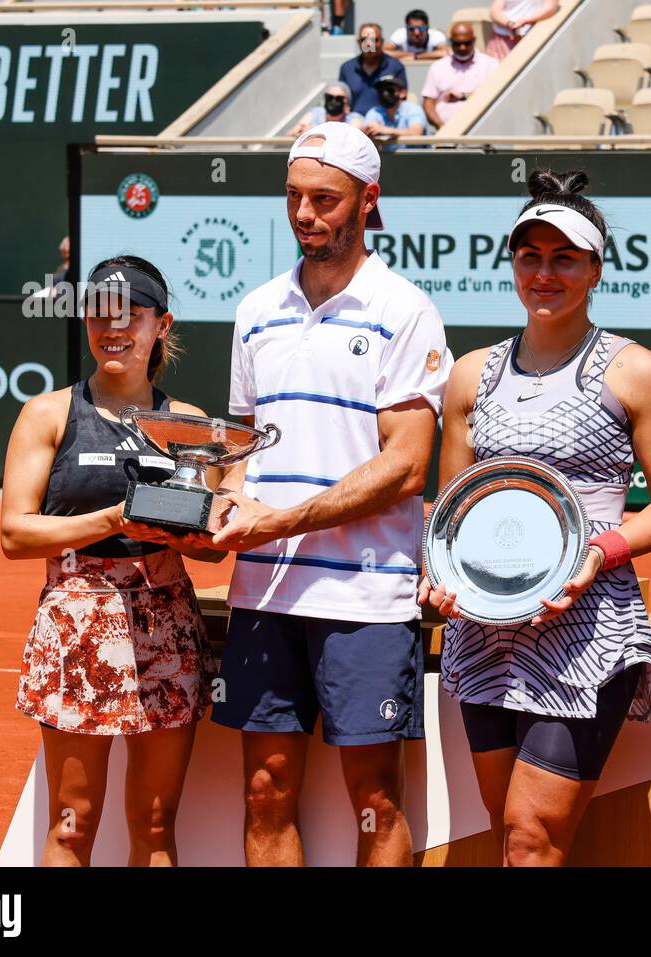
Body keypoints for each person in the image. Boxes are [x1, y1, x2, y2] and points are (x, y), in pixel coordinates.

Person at [421, 169, 651, 866]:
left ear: (596, 267)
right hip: (484, 632)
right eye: (530, 256)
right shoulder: (469, 374)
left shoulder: (636, 371)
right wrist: (438, 574)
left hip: (586, 632)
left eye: (564, 258)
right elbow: (450, 510)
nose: (544, 273)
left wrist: (598, 552)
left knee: (530, 836)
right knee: (508, 831)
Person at [207, 122, 451, 867]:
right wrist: (223, 498)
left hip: (366, 603)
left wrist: (284, 518)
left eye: (325, 198)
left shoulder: (405, 309)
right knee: (264, 789)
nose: (307, 214)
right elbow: (239, 448)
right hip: (265, 595)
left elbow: (407, 467)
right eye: (294, 198)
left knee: (375, 800)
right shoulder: (255, 310)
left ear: (367, 200)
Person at [1, 256, 225, 866]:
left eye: (131, 314)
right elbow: (15, 534)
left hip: (167, 624)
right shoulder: (48, 413)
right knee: (73, 824)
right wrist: (112, 521)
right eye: (99, 313)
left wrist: (202, 531)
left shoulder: (189, 424)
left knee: (155, 826)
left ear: (161, 325)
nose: (112, 328)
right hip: (76, 624)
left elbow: (211, 545)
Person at [422, 23, 499, 130]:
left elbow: (496, 96)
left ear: (474, 41)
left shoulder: (490, 65)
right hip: (445, 133)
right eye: (457, 44)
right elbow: (428, 103)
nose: (462, 47)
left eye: (466, 43)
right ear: (451, 42)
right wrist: (440, 126)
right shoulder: (438, 67)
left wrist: (464, 96)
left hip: (481, 132)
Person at [339, 23, 408, 115]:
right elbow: (341, 100)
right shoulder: (347, 68)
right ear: (358, 43)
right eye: (364, 40)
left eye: (374, 40)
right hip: (355, 124)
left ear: (382, 42)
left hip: (386, 125)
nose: (369, 44)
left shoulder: (396, 67)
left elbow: (402, 100)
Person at [363, 74, 427, 150]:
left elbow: (416, 132)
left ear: (402, 93)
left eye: (390, 89)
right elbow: (367, 131)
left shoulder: (413, 109)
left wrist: (385, 130)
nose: (385, 93)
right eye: (381, 91)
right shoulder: (374, 112)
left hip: (417, 158)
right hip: (388, 160)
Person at [487, 0, 559, 59]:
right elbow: (494, 11)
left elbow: (551, 7)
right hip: (502, 40)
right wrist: (511, 25)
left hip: (533, 37)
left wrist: (525, 21)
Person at [289, 81, 365, 137]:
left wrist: (313, 132)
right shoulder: (315, 113)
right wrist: (298, 131)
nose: (333, 101)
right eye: (330, 97)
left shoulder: (353, 118)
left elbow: (353, 136)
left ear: (346, 102)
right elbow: (290, 134)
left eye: (339, 98)